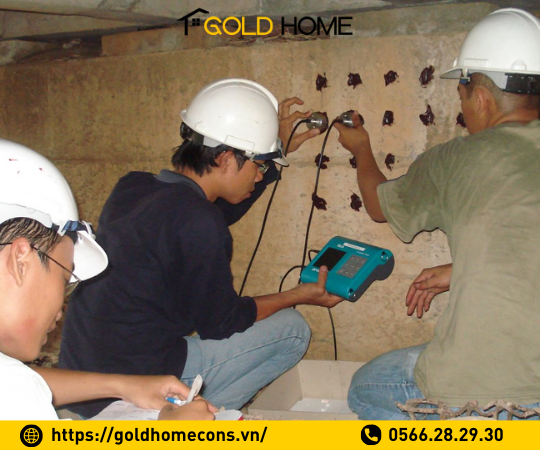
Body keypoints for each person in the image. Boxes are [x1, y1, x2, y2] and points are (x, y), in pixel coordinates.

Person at [59, 78, 342, 417]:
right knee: (293, 331)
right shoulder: (198, 220)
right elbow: (221, 322)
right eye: (259, 166)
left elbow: (203, 217)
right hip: (136, 380)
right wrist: (297, 295)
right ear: (226, 159)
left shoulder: (133, 187)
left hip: (79, 374)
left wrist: (273, 150)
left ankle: (189, 412)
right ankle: (199, 418)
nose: (259, 176)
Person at [337, 8, 540, 419]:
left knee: (364, 389)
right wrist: (465, 267)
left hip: (488, 388)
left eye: (462, 99)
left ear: (480, 98)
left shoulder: (456, 158)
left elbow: (377, 205)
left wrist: (361, 148)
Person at [0, 139, 215, 420]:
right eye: (65, 278)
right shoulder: (15, 396)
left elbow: (27, 381)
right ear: (20, 261)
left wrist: (123, 386)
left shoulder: (14, 382)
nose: (62, 307)